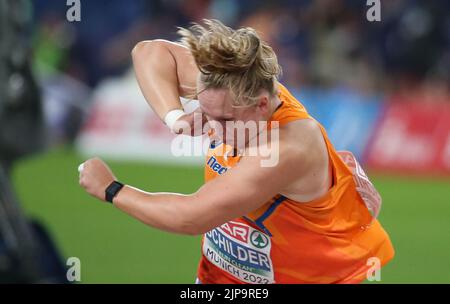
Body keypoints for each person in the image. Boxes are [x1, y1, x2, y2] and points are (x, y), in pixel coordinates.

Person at [78, 19, 394, 284]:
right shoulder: (234, 93)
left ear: (261, 105)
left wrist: (111, 189)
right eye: (205, 111)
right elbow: (148, 52)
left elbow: (191, 217)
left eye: (223, 119)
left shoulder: (285, 147)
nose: (211, 128)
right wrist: (176, 118)